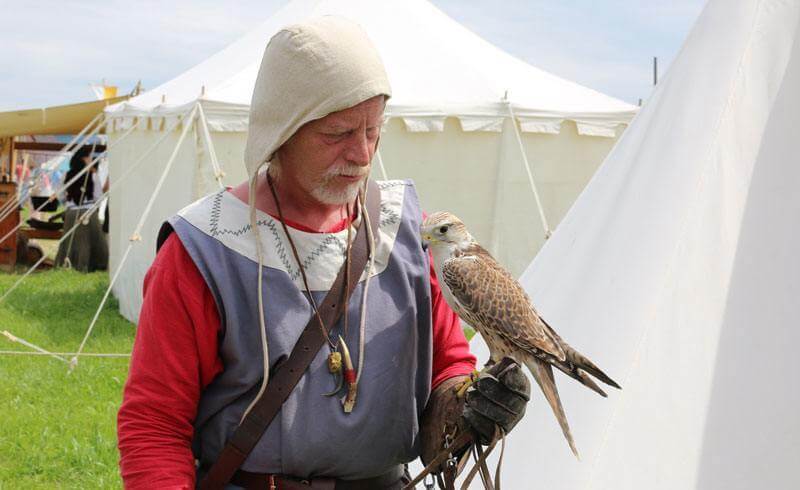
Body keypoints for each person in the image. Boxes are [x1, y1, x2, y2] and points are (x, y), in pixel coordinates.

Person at [117, 17, 528, 489]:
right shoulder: (205, 250)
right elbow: (155, 426)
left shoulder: (408, 236)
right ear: (282, 130)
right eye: (339, 133)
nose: (362, 154)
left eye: (373, 130)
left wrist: (464, 404)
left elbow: (450, 363)